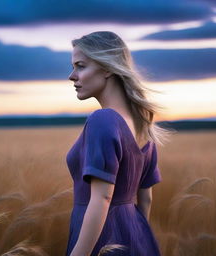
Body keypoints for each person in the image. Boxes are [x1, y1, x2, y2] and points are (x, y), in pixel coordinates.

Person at [65, 31, 170, 256]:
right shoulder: (143, 123)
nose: (72, 76)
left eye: (80, 66)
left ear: (108, 68)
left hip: (100, 239)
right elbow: (146, 198)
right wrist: (136, 238)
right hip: (137, 236)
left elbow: (102, 197)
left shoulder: (103, 119)